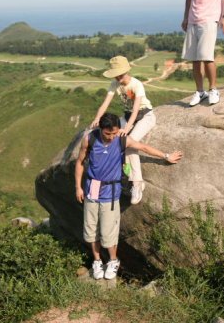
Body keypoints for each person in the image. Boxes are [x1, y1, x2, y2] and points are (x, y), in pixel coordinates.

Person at [75, 113, 182, 280]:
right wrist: (78, 188)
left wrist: (167, 156)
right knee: (91, 231)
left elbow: (144, 148)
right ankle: (97, 261)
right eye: (107, 133)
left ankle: (112, 261)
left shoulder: (122, 140)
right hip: (91, 190)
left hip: (110, 194)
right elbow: (80, 162)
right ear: (100, 129)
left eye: (114, 133)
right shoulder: (90, 139)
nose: (111, 137)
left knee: (108, 232)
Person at [91, 55, 156, 205]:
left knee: (128, 144)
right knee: (111, 140)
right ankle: (125, 173)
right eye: (116, 76)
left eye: (120, 75)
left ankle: (137, 183)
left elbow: (136, 109)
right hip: (127, 116)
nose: (119, 79)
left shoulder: (136, 84)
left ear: (127, 71)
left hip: (144, 115)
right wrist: (97, 119)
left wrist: (127, 128)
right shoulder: (115, 84)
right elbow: (105, 103)